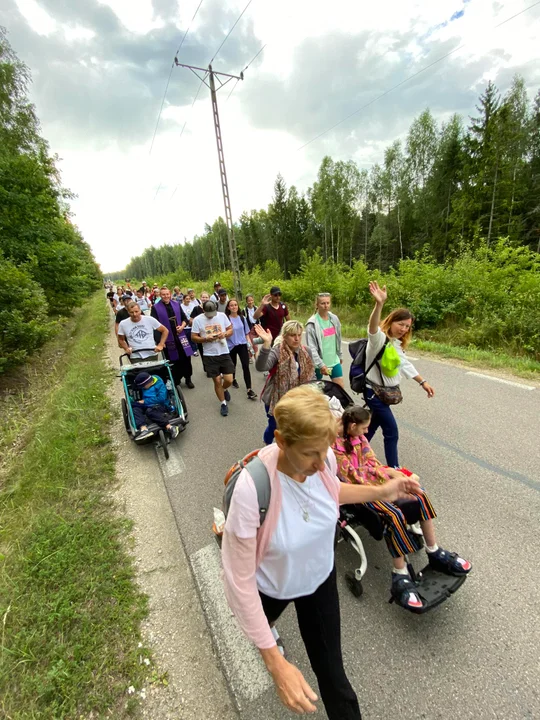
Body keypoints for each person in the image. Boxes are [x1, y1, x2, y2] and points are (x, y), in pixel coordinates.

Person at [222, 384, 423, 719]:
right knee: (258, 625)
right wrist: (275, 663)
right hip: (272, 583)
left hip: (318, 579)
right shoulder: (252, 490)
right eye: (310, 454)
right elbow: (239, 581)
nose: (320, 462)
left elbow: (331, 492)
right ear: (282, 442)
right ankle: (268, 635)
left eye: (325, 450)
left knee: (334, 677)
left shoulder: (324, 458)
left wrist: (382, 490)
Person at [334, 405, 472, 610]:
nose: (366, 433)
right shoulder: (334, 447)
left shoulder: (359, 438)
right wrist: (388, 477)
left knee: (420, 494)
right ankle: (399, 574)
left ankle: (433, 551)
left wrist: (390, 473)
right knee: (394, 514)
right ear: (353, 425)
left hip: (377, 483)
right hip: (359, 492)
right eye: (364, 429)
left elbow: (372, 462)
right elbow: (354, 477)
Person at [365, 281, 435, 468]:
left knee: (370, 428)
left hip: (385, 394)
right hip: (374, 392)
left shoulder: (396, 343)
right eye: (401, 324)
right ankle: (394, 469)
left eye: (407, 327)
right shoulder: (379, 339)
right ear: (391, 321)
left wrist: (423, 382)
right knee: (391, 431)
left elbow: (405, 364)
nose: (404, 329)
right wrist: (379, 305)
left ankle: (352, 454)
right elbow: (372, 328)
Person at [254, 320, 316, 445]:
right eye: (293, 335)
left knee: (292, 429)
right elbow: (261, 367)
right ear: (284, 336)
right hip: (276, 398)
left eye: (299, 335)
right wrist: (266, 344)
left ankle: (285, 450)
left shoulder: (306, 352)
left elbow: (311, 374)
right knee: (275, 427)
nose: (297, 339)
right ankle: (267, 443)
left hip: (298, 400)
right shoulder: (277, 351)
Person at [191, 300, 235, 417]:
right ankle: (223, 403)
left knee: (229, 379)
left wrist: (224, 334)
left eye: (213, 313)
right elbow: (193, 337)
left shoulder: (222, 316)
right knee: (216, 381)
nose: (211, 316)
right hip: (209, 354)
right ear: (203, 310)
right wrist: (205, 338)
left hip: (223, 351)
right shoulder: (197, 320)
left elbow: (231, 329)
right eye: (209, 314)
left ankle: (224, 390)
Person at [151, 287, 194, 389]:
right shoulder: (155, 308)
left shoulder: (176, 304)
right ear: (160, 295)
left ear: (170, 294)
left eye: (167, 294)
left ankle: (188, 378)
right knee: (173, 361)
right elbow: (154, 326)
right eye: (163, 294)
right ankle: (176, 379)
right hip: (167, 339)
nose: (166, 296)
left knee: (187, 358)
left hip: (181, 336)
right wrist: (160, 342)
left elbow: (185, 319)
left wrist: (182, 326)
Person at [305, 293, 344, 388]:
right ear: (317, 305)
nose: (326, 306)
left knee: (340, 390)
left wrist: (340, 354)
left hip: (334, 361)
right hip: (318, 364)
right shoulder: (312, 323)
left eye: (328, 303)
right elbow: (312, 348)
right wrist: (321, 365)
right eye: (322, 303)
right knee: (316, 392)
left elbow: (338, 338)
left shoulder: (334, 319)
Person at [130, 371, 180, 443]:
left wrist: (145, 401)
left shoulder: (159, 385)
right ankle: (144, 429)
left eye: (143, 386)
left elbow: (161, 399)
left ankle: (170, 427)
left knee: (150, 411)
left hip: (160, 405)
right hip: (147, 404)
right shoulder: (146, 384)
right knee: (135, 409)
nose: (143, 388)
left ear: (148, 383)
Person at [225, 299, 257, 401]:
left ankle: (249, 389)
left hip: (242, 345)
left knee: (245, 366)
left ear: (238, 307)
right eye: (231, 305)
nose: (234, 307)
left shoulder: (242, 318)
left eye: (235, 305)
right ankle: (233, 379)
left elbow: (247, 333)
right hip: (231, 346)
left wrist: (249, 344)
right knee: (233, 365)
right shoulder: (226, 320)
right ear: (228, 307)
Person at [189, 291, 209, 358]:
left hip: (210, 332)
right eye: (203, 297)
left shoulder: (212, 307)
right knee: (204, 355)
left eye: (206, 297)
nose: (205, 299)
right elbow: (191, 320)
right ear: (200, 298)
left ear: (209, 298)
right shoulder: (196, 308)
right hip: (200, 335)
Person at [244, 293, 260, 362]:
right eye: (249, 301)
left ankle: (250, 355)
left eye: (251, 300)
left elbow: (260, 318)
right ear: (246, 301)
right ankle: (256, 358)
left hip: (256, 328)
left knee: (253, 343)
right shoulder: (244, 310)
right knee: (253, 344)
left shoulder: (257, 308)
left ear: (253, 300)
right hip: (249, 328)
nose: (250, 302)